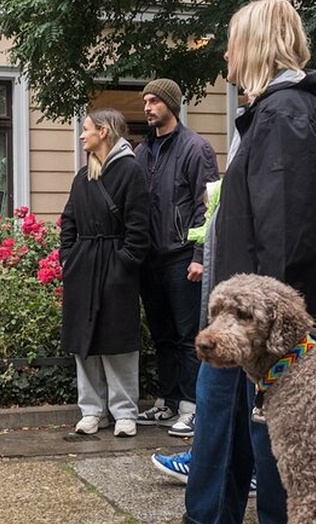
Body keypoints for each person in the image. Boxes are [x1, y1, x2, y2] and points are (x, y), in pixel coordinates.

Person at [180, 1, 316, 523]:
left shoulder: (285, 114)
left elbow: (285, 241)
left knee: (278, 465)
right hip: (254, 326)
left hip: (269, 335)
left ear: (256, 45)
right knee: (234, 446)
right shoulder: (281, 111)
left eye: (231, 42)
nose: (225, 54)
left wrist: (253, 335)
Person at [134, 78, 219, 438]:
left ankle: (191, 406)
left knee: (188, 336)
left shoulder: (196, 148)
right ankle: (166, 401)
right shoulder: (142, 151)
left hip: (182, 256)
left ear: (172, 104)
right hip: (149, 259)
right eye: (145, 101)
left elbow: (208, 206)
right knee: (162, 335)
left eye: (154, 101)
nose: (147, 107)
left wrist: (200, 255)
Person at [60, 108, 150, 438]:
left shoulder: (130, 171)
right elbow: (69, 219)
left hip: (114, 265)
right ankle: (91, 410)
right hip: (83, 266)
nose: (81, 135)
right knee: (84, 341)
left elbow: (139, 228)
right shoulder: (83, 176)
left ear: (104, 131)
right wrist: (68, 258)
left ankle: (124, 412)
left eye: (86, 129)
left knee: (118, 341)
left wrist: (122, 264)